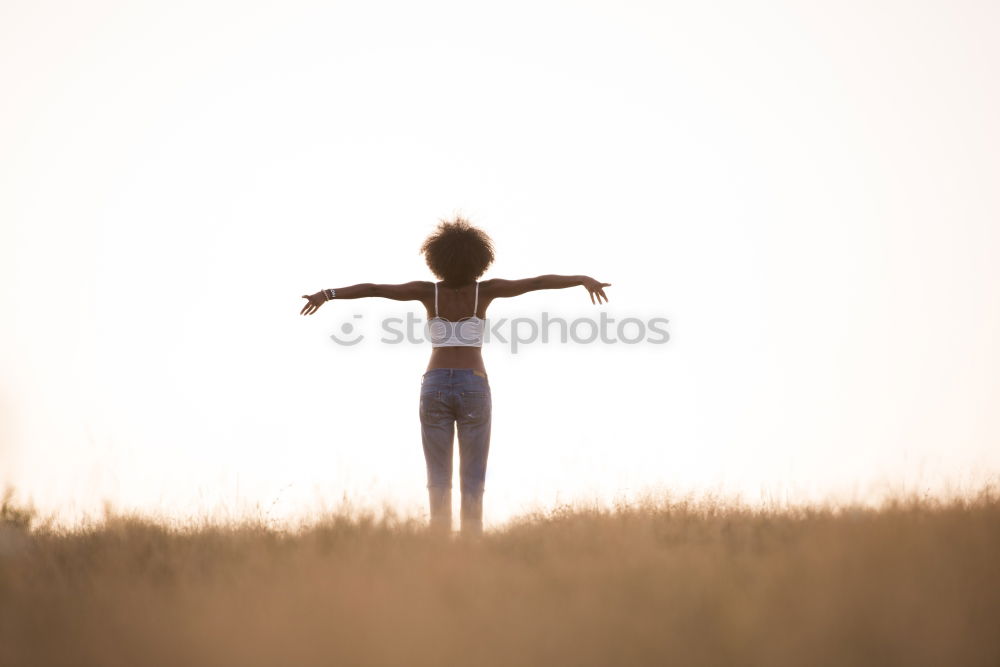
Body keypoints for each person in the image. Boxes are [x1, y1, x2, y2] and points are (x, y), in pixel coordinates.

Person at [300, 216, 610, 535]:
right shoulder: (486, 291)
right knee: (473, 475)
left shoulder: (426, 291)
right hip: (474, 382)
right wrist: (582, 279)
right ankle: (471, 543)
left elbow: (375, 289)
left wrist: (328, 293)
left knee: (438, 475)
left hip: (434, 385)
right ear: (479, 259)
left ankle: (439, 541)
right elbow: (537, 283)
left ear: (437, 259)